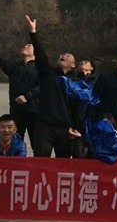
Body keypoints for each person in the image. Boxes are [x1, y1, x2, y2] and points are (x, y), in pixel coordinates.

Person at [24, 15, 79, 158]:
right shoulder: (48, 73)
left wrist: (76, 127)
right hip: (44, 125)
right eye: (62, 55)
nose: (63, 56)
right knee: (41, 161)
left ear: (73, 65)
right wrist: (33, 33)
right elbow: (41, 55)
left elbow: (77, 108)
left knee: (63, 162)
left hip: (65, 128)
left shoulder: (76, 82)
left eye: (68, 56)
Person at [0, 17, 39, 150]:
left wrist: (27, 96)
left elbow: (42, 86)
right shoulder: (14, 67)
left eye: (29, 46)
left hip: (34, 111)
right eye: (24, 46)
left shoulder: (40, 67)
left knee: (38, 145)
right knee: (14, 144)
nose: (25, 46)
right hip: (16, 111)